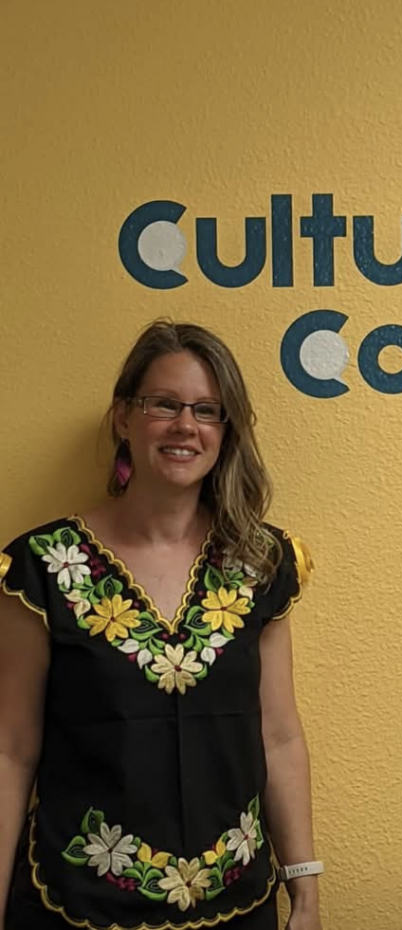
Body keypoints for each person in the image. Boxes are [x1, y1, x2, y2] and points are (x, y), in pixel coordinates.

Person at [0, 321, 323, 930]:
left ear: (226, 430)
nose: (185, 426)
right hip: (75, 907)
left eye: (207, 410)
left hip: (236, 904)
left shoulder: (260, 562)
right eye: (164, 404)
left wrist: (304, 888)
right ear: (124, 416)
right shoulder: (45, 566)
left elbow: (278, 735)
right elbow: (10, 750)